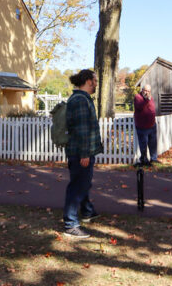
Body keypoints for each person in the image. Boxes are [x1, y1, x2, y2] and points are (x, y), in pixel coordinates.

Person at [63, 69, 103, 239]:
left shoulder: (82, 98)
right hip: (80, 152)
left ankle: (87, 211)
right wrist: (85, 154)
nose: (96, 84)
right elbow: (82, 131)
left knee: (83, 183)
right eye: (94, 81)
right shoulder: (80, 100)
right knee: (78, 186)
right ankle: (70, 224)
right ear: (87, 81)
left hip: (80, 151)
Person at [133, 83, 158, 165]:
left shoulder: (151, 98)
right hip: (142, 126)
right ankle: (144, 160)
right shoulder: (138, 97)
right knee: (143, 144)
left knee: (153, 144)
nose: (147, 92)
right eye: (145, 90)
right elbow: (140, 107)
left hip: (152, 125)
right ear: (142, 90)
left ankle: (153, 159)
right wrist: (147, 100)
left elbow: (152, 108)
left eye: (148, 91)